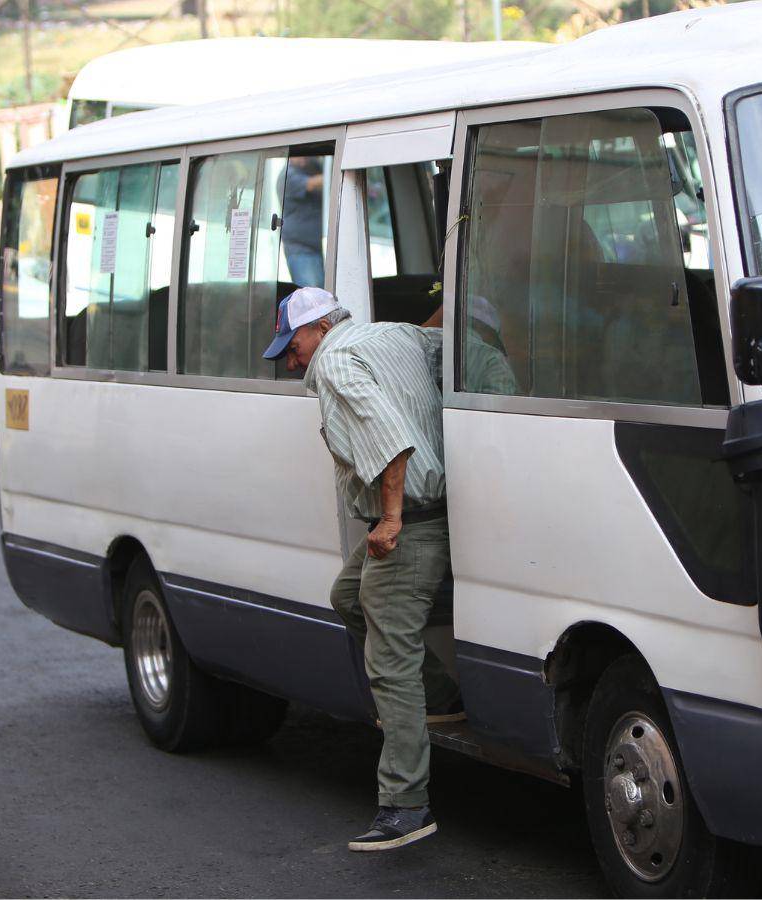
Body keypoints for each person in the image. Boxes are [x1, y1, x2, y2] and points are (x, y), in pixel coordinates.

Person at [263, 286, 462, 851]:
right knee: (348, 595)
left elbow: (390, 441)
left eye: (293, 345)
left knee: (389, 664)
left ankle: (406, 805)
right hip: (433, 511)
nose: (292, 360)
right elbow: (441, 336)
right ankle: (442, 697)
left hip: (412, 521)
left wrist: (392, 519)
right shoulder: (392, 336)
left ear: (321, 329)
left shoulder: (333, 364)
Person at [280, 157, 326, 287]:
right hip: (302, 251)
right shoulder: (287, 176)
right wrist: (332, 172)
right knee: (314, 299)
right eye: (300, 155)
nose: (304, 158)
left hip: (318, 248)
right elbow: (311, 184)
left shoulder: (310, 168)